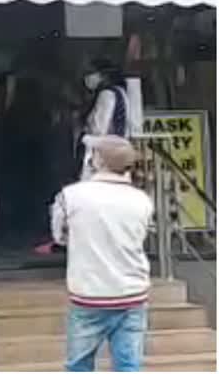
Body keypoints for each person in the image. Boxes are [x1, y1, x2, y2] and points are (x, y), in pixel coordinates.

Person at [51, 135, 152, 372]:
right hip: (132, 292)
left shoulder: (71, 195)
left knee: (79, 364)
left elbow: (59, 236)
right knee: (129, 364)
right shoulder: (142, 200)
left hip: (89, 292)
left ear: (96, 160)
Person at [78, 59, 132, 180]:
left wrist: (84, 137)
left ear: (103, 75)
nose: (87, 77)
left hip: (104, 156)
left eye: (91, 72)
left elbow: (98, 129)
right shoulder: (121, 92)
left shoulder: (107, 95)